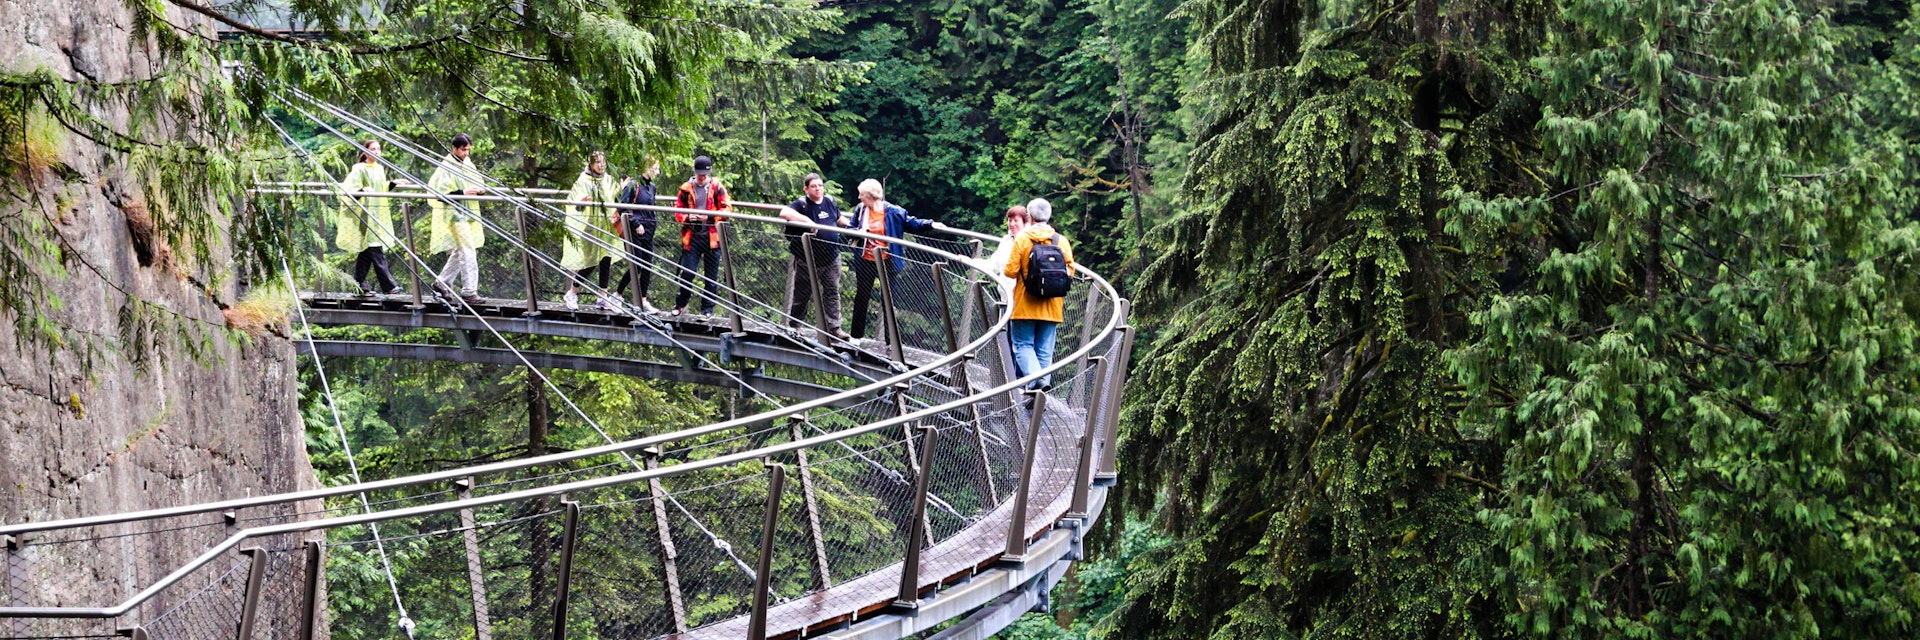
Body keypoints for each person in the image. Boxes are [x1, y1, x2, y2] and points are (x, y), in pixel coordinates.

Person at [843, 179, 948, 340]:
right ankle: (856, 338)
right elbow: (850, 230)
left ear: (870, 195)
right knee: (862, 298)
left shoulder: (894, 211)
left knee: (888, 301)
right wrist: (861, 231)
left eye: (862, 194)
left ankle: (889, 342)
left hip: (887, 261)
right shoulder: (861, 210)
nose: (859, 197)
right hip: (866, 260)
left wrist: (931, 224)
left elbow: (912, 223)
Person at [1002, 198, 1075, 390]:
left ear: (1030, 217)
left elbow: (1009, 271)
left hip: (1025, 304)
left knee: (1023, 345)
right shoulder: (1061, 241)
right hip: (1052, 305)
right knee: (1044, 350)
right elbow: (1070, 271)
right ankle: (1041, 394)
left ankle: (1036, 381)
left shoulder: (1023, 239)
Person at [777, 173, 847, 338]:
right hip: (808, 258)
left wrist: (853, 227)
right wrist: (808, 222)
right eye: (814, 186)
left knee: (832, 292)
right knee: (803, 293)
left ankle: (834, 328)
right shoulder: (802, 204)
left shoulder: (829, 201)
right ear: (806, 189)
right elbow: (784, 212)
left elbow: (838, 218)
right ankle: (795, 325)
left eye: (820, 185)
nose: (818, 189)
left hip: (831, 257)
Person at [336, 139, 401, 296]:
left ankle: (359, 285)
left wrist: (391, 184)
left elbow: (379, 189)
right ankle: (389, 286)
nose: (377, 152)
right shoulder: (359, 169)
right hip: (364, 214)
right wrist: (361, 190)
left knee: (367, 250)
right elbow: (348, 190)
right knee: (375, 247)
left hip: (376, 213)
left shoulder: (379, 168)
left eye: (379, 149)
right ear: (365, 152)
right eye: (373, 149)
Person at [428, 133, 487, 304]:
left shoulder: (467, 163)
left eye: (468, 150)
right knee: (468, 251)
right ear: (454, 148)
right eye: (463, 150)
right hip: (454, 215)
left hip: (467, 213)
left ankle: (441, 283)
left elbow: (478, 182)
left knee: (460, 251)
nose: (466, 153)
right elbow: (438, 194)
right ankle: (469, 291)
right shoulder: (446, 167)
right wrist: (463, 193)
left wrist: (480, 190)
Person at [672, 155, 730, 315]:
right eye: (699, 174)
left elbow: (727, 209)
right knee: (688, 273)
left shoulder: (717, 187)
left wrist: (709, 216)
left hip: (712, 238)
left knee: (711, 278)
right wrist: (687, 217)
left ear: (709, 172)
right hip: (692, 237)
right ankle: (680, 305)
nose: (701, 177)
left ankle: (707, 310)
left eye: (704, 174)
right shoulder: (685, 188)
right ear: (694, 171)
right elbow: (677, 210)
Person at [561, 151, 618, 310]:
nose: (602, 165)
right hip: (590, 227)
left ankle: (602, 296)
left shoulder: (607, 179)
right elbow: (575, 204)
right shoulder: (583, 180)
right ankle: (572, 292)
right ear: (591, 164)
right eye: (598, 162)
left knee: (606, 260)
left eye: (603, 161)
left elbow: (614, 194)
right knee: (590, 262)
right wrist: (581, 203)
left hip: (606, 226)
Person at [612, 157, 661, 313]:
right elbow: (622, 208)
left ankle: (643, 300)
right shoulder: (633, 184)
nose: (658, 172)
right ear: (647, 167)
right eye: (656, 168)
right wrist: (635, 223)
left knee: (647, 266)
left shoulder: (651, 187)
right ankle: (617, 295)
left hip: (648, 231)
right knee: (637, 264)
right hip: (634, 231)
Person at [983, 204, 1031, 274]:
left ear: (1024, 222)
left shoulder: (1029, 241)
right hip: (1004, 283)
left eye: (1016, 220)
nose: (1012, 224)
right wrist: (972, 263)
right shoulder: (1007, 240)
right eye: (1010, 220)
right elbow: (994, 265)